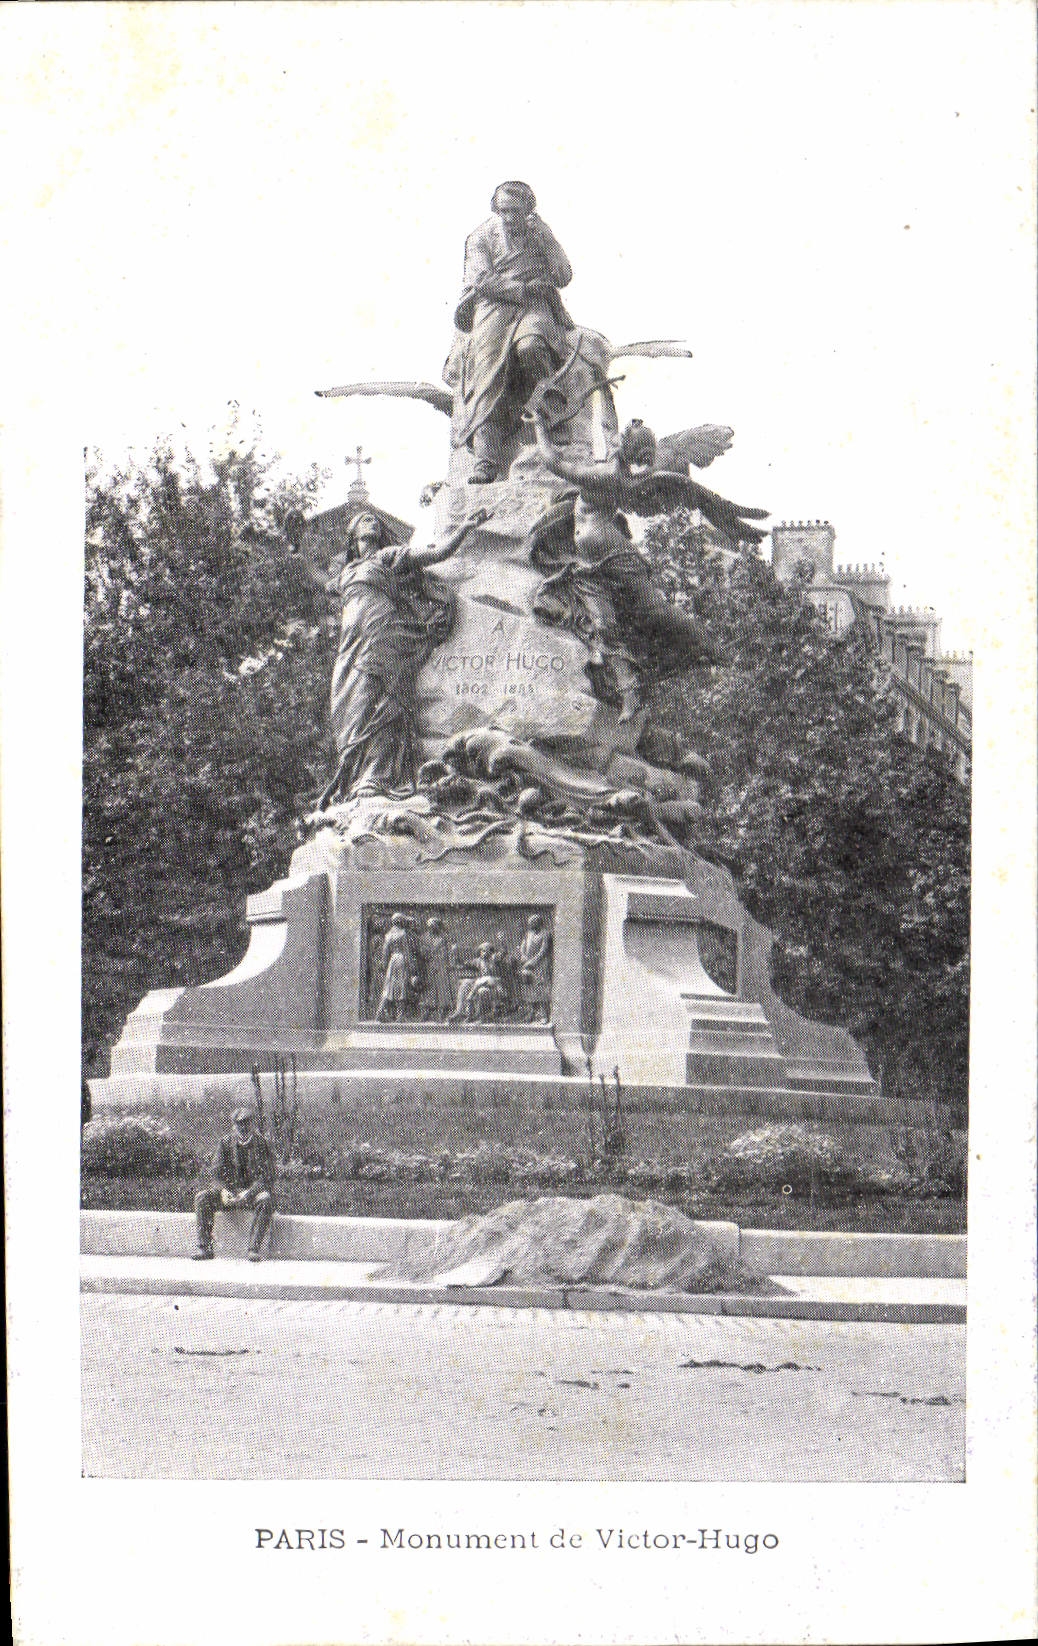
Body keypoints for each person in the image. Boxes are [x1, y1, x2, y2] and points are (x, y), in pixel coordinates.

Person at [319, 507, 489, 806]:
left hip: (384, 635)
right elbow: (317, 580)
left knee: (381, 700)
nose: (370, 520)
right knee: (346, 705)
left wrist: (464, 528)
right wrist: (293, 550)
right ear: (353, 535)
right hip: (351, 644)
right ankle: (356, 776)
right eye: (363, 520)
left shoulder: (388, 557)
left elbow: (435, 554)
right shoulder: (347, 572)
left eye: (373, 519)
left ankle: (376, 776)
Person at [445, 181, 574, 484]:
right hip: (494, 303)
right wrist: (521, 288)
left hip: (534, 305)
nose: (508, 218)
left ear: (529, 210)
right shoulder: (479, 237)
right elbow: (481, 279)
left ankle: (555, 418)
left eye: (516, 212)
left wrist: (546, 239)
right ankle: (486, 459)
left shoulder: (539, 233)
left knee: (531, 347)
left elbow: (564, 275)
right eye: (503, 211)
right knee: (486, 372)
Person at [193, 1108, 276, 1262]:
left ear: (252, 1124)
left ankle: (253, 1249)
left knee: (265, 1200)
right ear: (234, 1126)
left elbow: (267, 1176)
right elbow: (216, 1172)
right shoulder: (225, 1143)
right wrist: (224, 1190)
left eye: (247, 1124)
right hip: (230, 1193)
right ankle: (204, 1248)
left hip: (252, 1194)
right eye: (239, 1125)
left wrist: (249, 1193)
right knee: (202, 1197)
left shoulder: (263, 1144)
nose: (243, 1128)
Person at [376, 912, 419, 1022]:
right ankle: (400, 1016)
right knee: (402, 987)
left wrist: (384, 964)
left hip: (392, 961)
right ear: (401, 921)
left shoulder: (388, 934)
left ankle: (380, 1013)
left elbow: (385, 952)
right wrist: (413, 968)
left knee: (389, 987)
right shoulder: (404, 934)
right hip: (402, 960)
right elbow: (407, 951)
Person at [517, 913, 553, 1023]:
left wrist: (532, 962)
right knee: (529, 988)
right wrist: (523, 956)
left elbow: (543, 951)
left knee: (541, 989)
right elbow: (523, 946)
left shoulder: (545, 934)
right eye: (530, 923)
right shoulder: (529, 934)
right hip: (528, 964)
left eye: (533, 923)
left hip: (541, 966)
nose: (530, 925)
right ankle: (531, 1013)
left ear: (538, 923)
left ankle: (543, 1015)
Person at [419, 915, 454, 1021]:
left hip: (441, 965)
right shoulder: (424, 938)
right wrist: (427, 955)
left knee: (442, 989)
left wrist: (449, 963)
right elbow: (421, 951)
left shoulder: (444, 938)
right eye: (430, 926)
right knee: (429, 990)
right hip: (429, 966)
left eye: (435, 926)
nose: (432, 928)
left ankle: (442, 1013)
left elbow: (449, 952)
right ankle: (426, 1013)